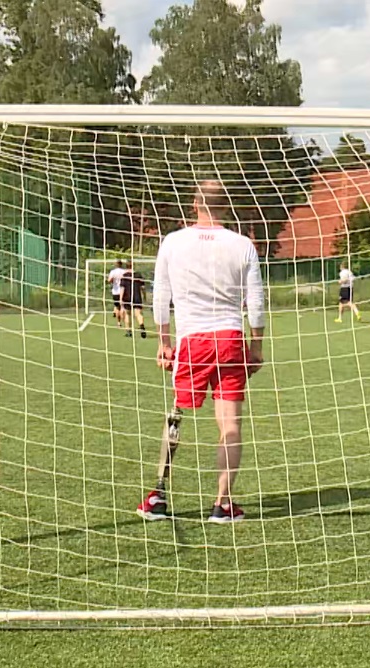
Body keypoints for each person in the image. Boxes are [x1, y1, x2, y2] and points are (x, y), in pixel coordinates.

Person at [139, 179, 265, 524]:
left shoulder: (173, 241)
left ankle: (158, 494)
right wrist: (256, 346)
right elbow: (254, 301)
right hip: (228, 339)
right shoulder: (242, 245)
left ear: (194, 204)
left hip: (191, 340)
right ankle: (222, 505)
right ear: (225, 206)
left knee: (176, 413)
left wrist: (164, 343)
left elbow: (160, 296)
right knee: (231, 425)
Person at [120, 268, 148, 338]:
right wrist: (144, 296)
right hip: (137, 297)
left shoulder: (124, 276)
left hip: (127, 297)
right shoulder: (138, 275)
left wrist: (120, 298)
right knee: (138, 314)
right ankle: (142, 327)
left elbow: (122, 288)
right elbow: (143, 287)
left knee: (127, 314)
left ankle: (129, 331)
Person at [106, 259, 127, 327]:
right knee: (123, 307)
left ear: (116, 264)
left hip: (115, 292)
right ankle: (125, 321)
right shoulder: (124, 271)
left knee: (117, 307)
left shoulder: (113, 272)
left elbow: (109, 280)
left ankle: (118, 322)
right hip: (123, 291)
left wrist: (112, 280)